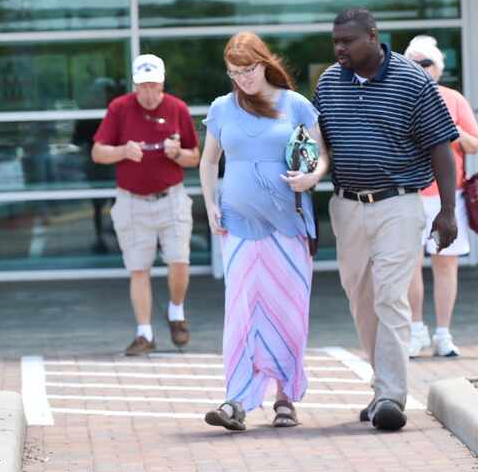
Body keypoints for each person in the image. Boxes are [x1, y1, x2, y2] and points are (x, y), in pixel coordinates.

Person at [313, 8, 459, 431]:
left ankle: (392, 395)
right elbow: (317, 146)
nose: (339, 48)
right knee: (360, 298)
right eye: (335, 41)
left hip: (398, 203)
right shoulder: (328, 82)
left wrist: (447, 212)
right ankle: (381, 388)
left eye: (348, 41)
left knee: (390, 296)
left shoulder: (411, 79)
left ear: (373, 37)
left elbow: (440, 147)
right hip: (346, 205)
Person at [199, 32, 329, 430]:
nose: (244, 79)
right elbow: (208, 162)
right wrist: (210, 205)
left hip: (288, 226)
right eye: (235, 73)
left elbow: (323, 154)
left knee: (288, 311)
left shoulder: (295, 104)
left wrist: (313, 179)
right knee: (240, 313)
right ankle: (235, 401)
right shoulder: (222, 108)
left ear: (265, 62)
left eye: (249, 70)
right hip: (238, 227)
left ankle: (285, 398)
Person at [91, 54, 201, 356]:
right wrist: (123, 151)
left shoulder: (177, 108)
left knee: (179, 261)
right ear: (135, 86)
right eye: (142, 87)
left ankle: (176, 311)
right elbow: (98, 153)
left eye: (153, 86)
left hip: (171, 198)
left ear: (162, 83)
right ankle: (144, 333)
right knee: (139, 269)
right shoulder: (120, 108)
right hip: (132, 201)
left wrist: (177, 154)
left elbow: (195, 157)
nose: (148, 94)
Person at [404, 35, 478, 358]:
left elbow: (474, 144)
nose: (421, 68)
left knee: (446, 264)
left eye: (426, 63)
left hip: (446, 195)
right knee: (409, 266)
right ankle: (416, 330)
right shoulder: (401, 97)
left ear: (438, 68)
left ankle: (443, 334)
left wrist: (450, 127)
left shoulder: (453, 98)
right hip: (408, 193)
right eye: (413, 62)